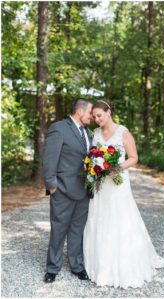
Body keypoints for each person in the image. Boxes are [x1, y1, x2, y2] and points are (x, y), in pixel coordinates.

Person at [83, 99, 164, 289]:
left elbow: (134, 158)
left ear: (109, 112)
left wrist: (116, 167)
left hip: (117, 184)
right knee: (100, 218)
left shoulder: (124, 132)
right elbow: (91, 155)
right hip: (100, 185)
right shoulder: (95, 133)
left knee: (119, 219)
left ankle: (124, 265)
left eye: (100, 116)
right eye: (94, 116)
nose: (97, 120)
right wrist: (94, 166)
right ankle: (100, 266)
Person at [43, 99, 93, 283]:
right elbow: (49, 158)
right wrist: (52, 186)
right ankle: (52, 268)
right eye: (90, 113)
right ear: (80, 111)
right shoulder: (59, 128)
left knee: (77, 230)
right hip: (62, 189)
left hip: (84, 191)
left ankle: (77, 266)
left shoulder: (88, 133)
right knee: (58, 229)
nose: (92, 117)